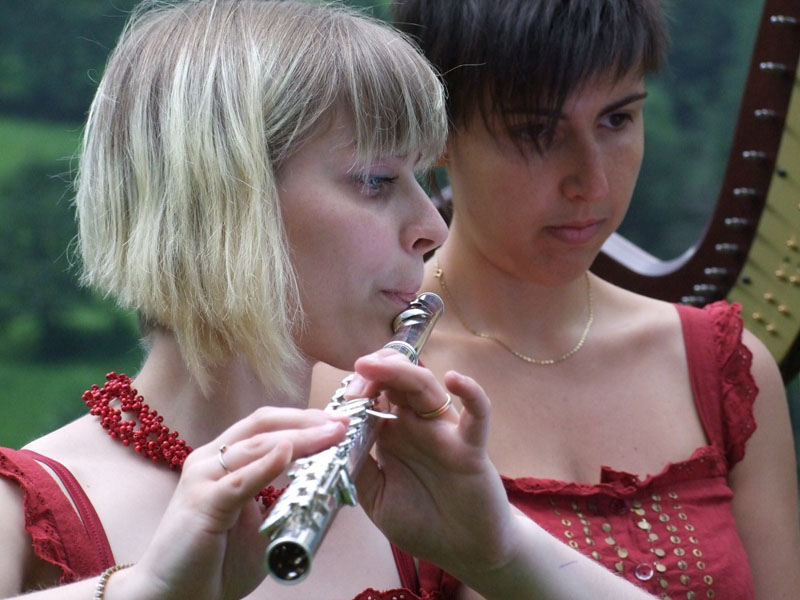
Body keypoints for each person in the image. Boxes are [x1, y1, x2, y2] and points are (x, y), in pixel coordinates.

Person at [315, 1, 800, 598]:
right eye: (537, 132)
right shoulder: (350, 387)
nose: (592, 183)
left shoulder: (726, 368)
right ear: (437, 131)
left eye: (616, 119)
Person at [0, 1, 465, 598]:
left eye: (421, 179)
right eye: (377, 180)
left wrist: (497, 548)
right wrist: (147, 590)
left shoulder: (417, 507)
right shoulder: (22, 513)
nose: (434, 226)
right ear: (227, 197)